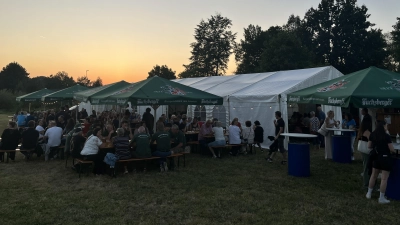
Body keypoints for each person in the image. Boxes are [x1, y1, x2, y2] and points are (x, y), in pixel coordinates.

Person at [366, 121, 395, 204]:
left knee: (373, 175)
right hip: (385, 157)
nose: (387, 127)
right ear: (383, 126)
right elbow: (392, 149)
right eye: (386, 125)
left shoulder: (373, 134)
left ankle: (369, 193)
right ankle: (381, 197)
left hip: (376, 157)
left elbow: (369, 146)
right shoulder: (386, 136)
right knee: (384, 178)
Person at [358, 119, 373, 188]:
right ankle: (366, 184)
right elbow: (371, 139)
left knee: (366, 165)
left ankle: (367, 182)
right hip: (366, 150)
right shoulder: (367, 132)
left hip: (362, 149)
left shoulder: (362, 130)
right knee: (367, 167)